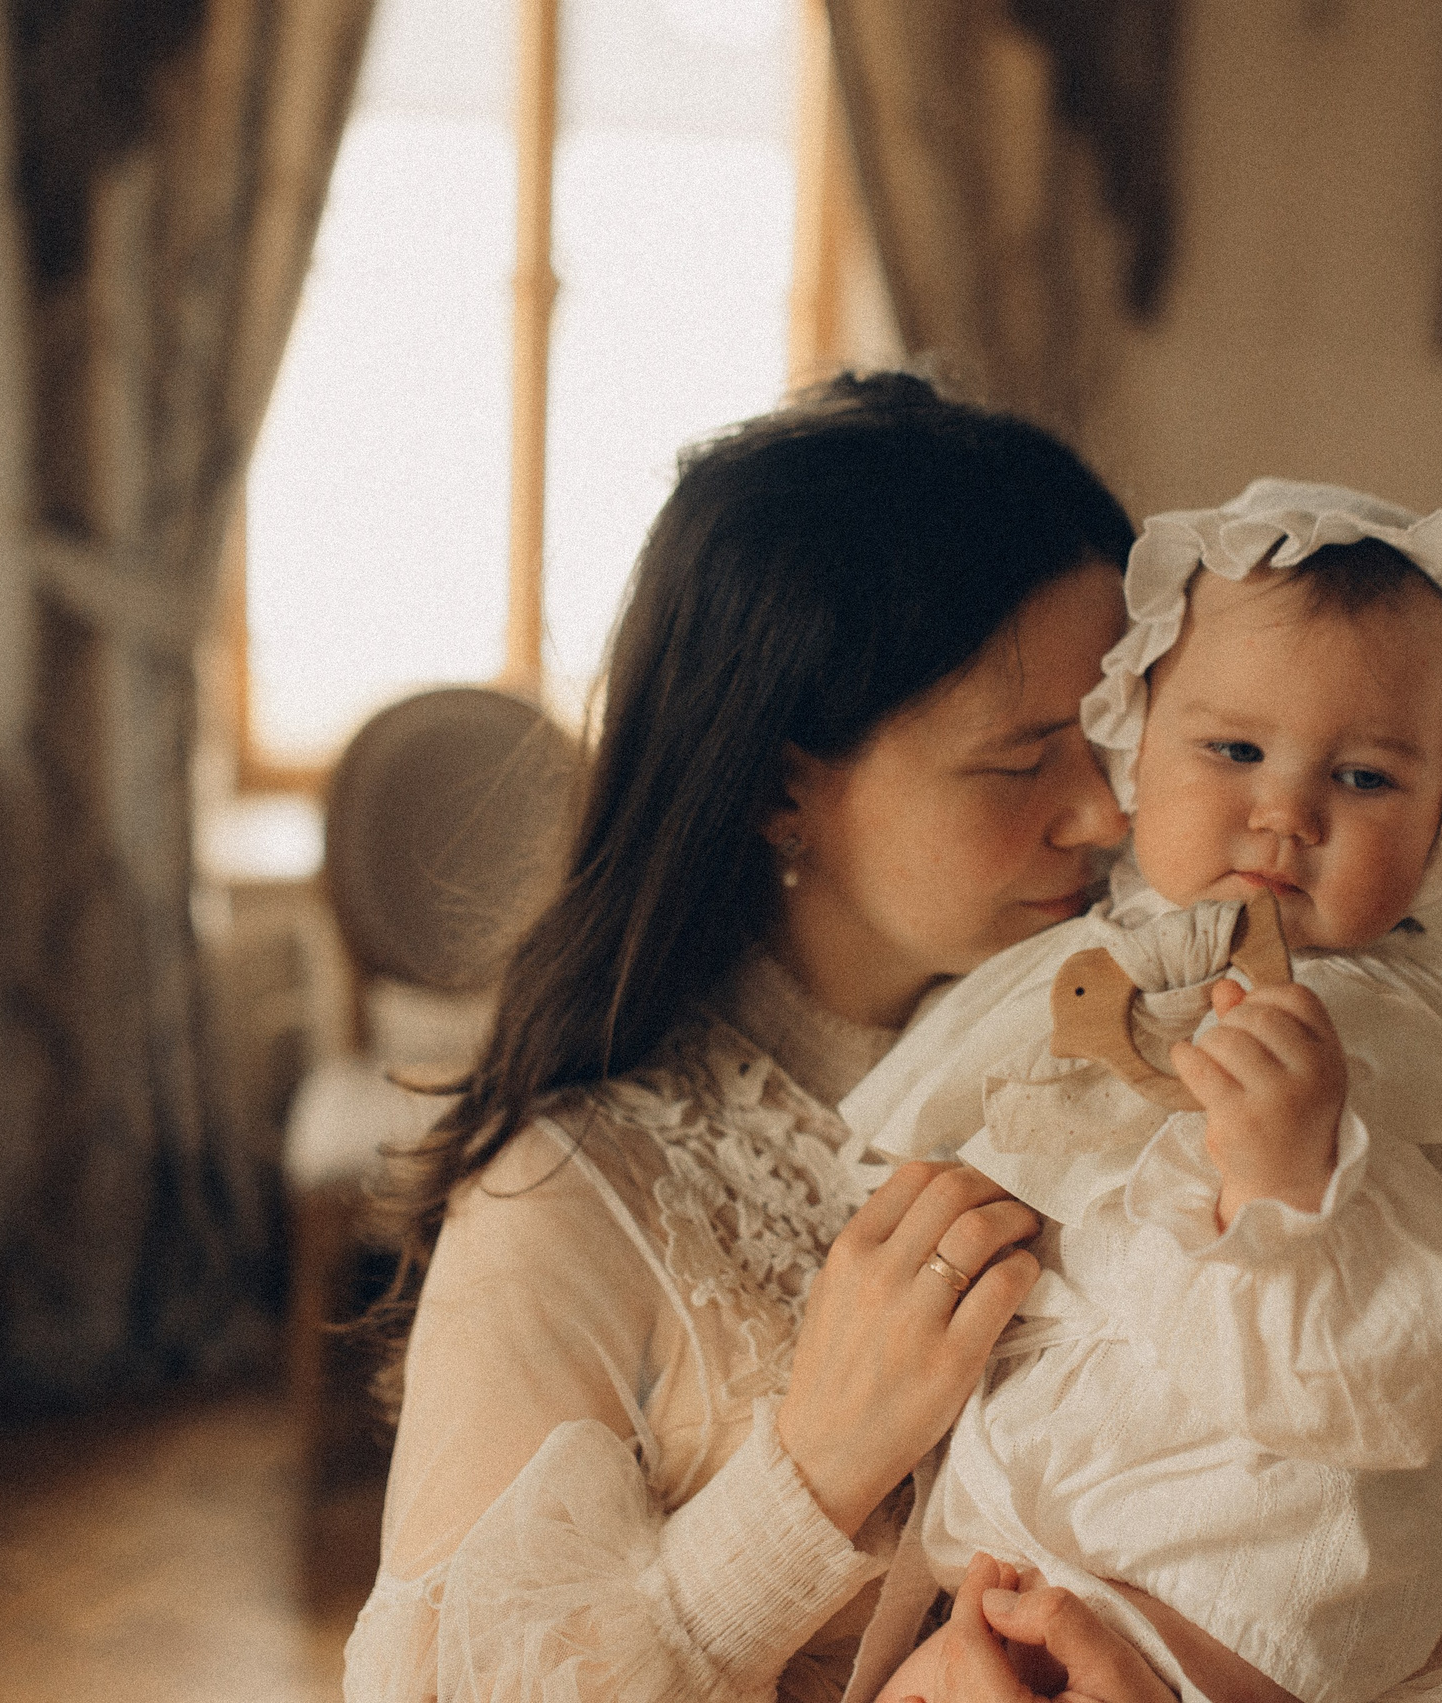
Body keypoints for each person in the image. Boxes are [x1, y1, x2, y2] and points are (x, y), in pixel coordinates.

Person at [341, 370, 1141, 1702]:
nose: (1107, 817)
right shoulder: (565, 1200)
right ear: (786, 781)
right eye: (1023, 759)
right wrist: (811, 1469)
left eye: (1119, 735)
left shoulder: (1126, 1067)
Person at [845, 481, 1442, 1703]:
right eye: (1233, 750)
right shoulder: (1064, 972)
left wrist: (1292, 1178)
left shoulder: (1378, 1032)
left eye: (1367, 778)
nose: (1287, 810)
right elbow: (938, 1127)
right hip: (1037, 1516)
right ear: (1135, 746)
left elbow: (1387, 1372)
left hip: (1251, 1551)